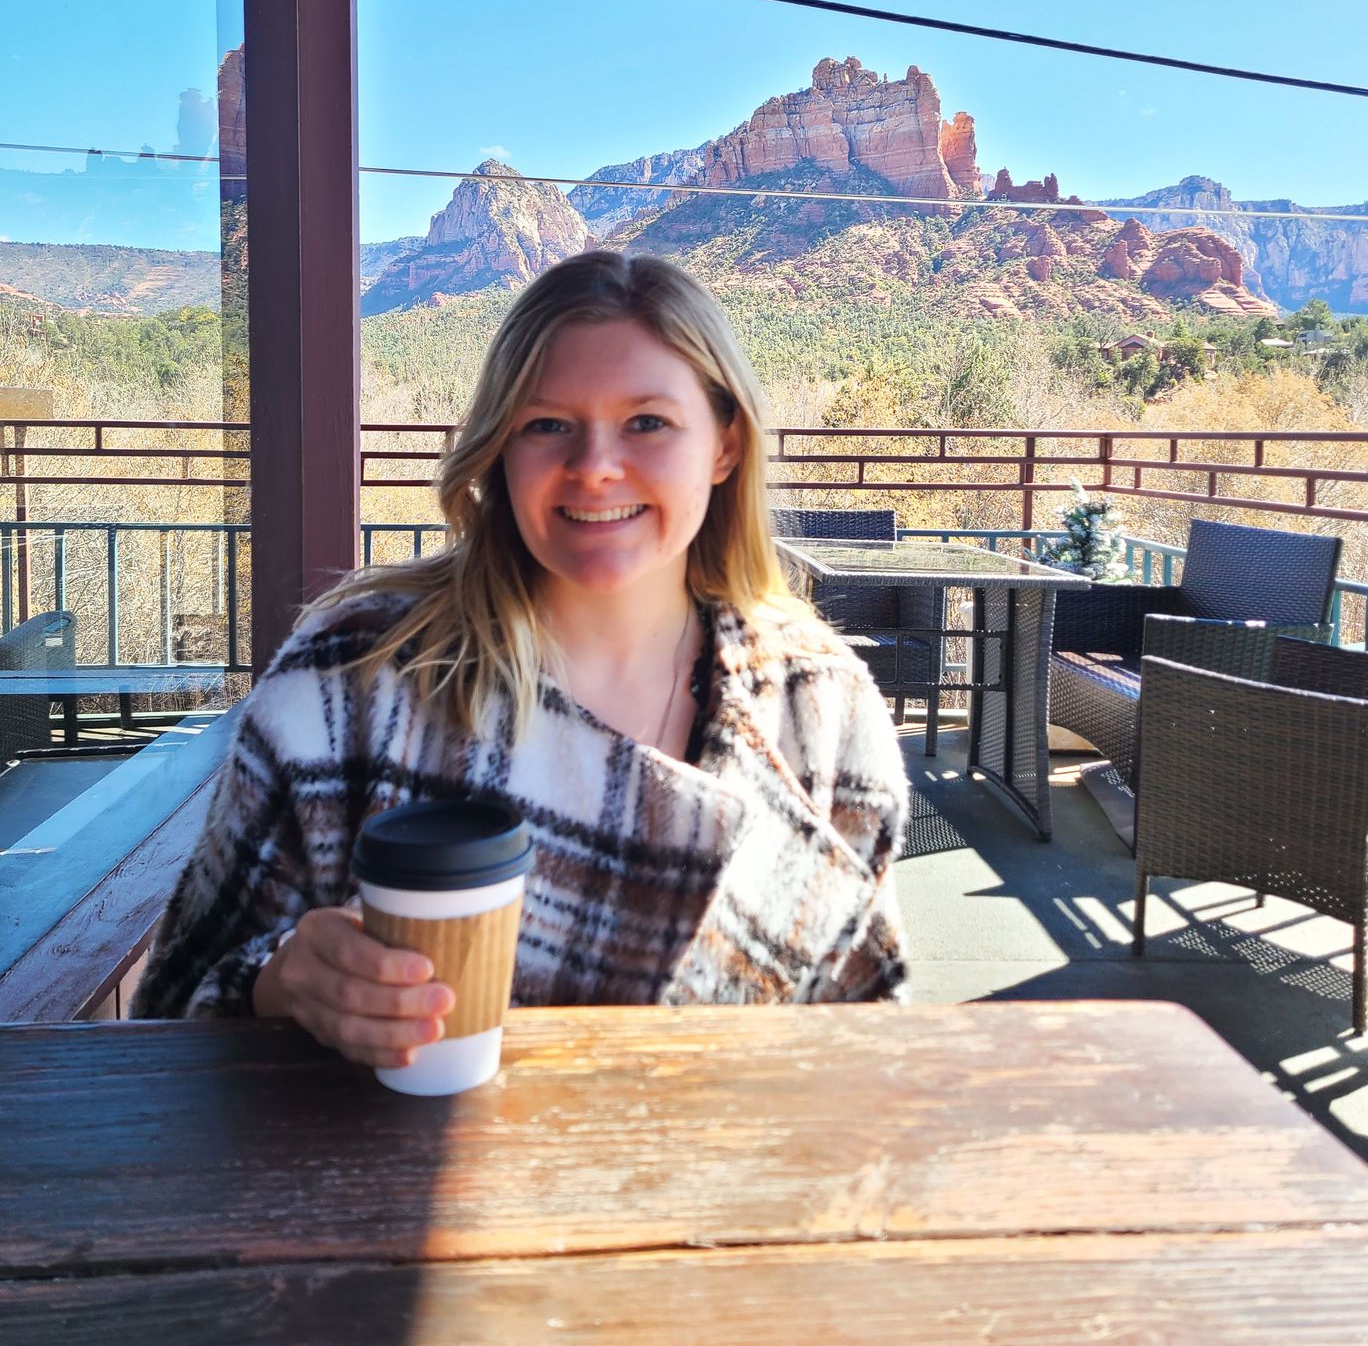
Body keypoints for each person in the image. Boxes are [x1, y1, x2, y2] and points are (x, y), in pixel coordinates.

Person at [132, 251, 911, 1064]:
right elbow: (171, 1010)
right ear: (499, 449)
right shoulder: (350, 681)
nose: (595, 466)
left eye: (647, 421)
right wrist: (280, 982)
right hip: (379, 1183)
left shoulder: (821, 705)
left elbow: (866, 1045)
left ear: (724, 446)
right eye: (546, 424)